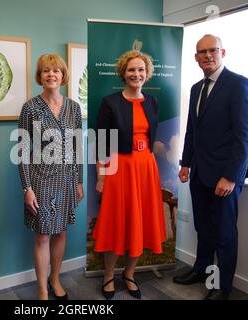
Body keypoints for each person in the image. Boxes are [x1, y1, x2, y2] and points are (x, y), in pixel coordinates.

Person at [173, 34, 248, 300]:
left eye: (212, 50)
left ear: (223, 53)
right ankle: (202, 271)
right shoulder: (197, 88)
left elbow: (245, 137)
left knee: (224, 233)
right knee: (204, 229)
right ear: (196, 58)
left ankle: (222, 286)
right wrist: (185, 163)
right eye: (202, 52)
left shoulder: (239, 85)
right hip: (199, 173)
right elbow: (192, 133)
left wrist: (231, 177)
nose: (207, 55)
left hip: (224, 178)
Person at [92, 50, 166, 300]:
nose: (136, 74)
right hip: (119, 168)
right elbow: (101, 143)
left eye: (141, 70)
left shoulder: (153, 102)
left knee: (140, 221)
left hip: (146, 168)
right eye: (132, 70)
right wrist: (101, 176)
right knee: (116, 223)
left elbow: (152, 138)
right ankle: (109, 275)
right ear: (123, 73)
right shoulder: (110, 102)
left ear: (147, 74)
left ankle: (130, 274)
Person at [17, 53, 84, 300]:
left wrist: (79, 181)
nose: (51, 75)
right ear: (40, 76)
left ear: (63, 75)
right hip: (41, 180)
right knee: (43, 234)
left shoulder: (73, 108)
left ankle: (55, 279)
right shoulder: (30, 108)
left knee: (61, 232)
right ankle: (42, 289)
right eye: (46, 71)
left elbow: (77, 147)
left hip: (67, 180)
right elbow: (22, 152)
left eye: (55, 70)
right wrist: (27, 189)